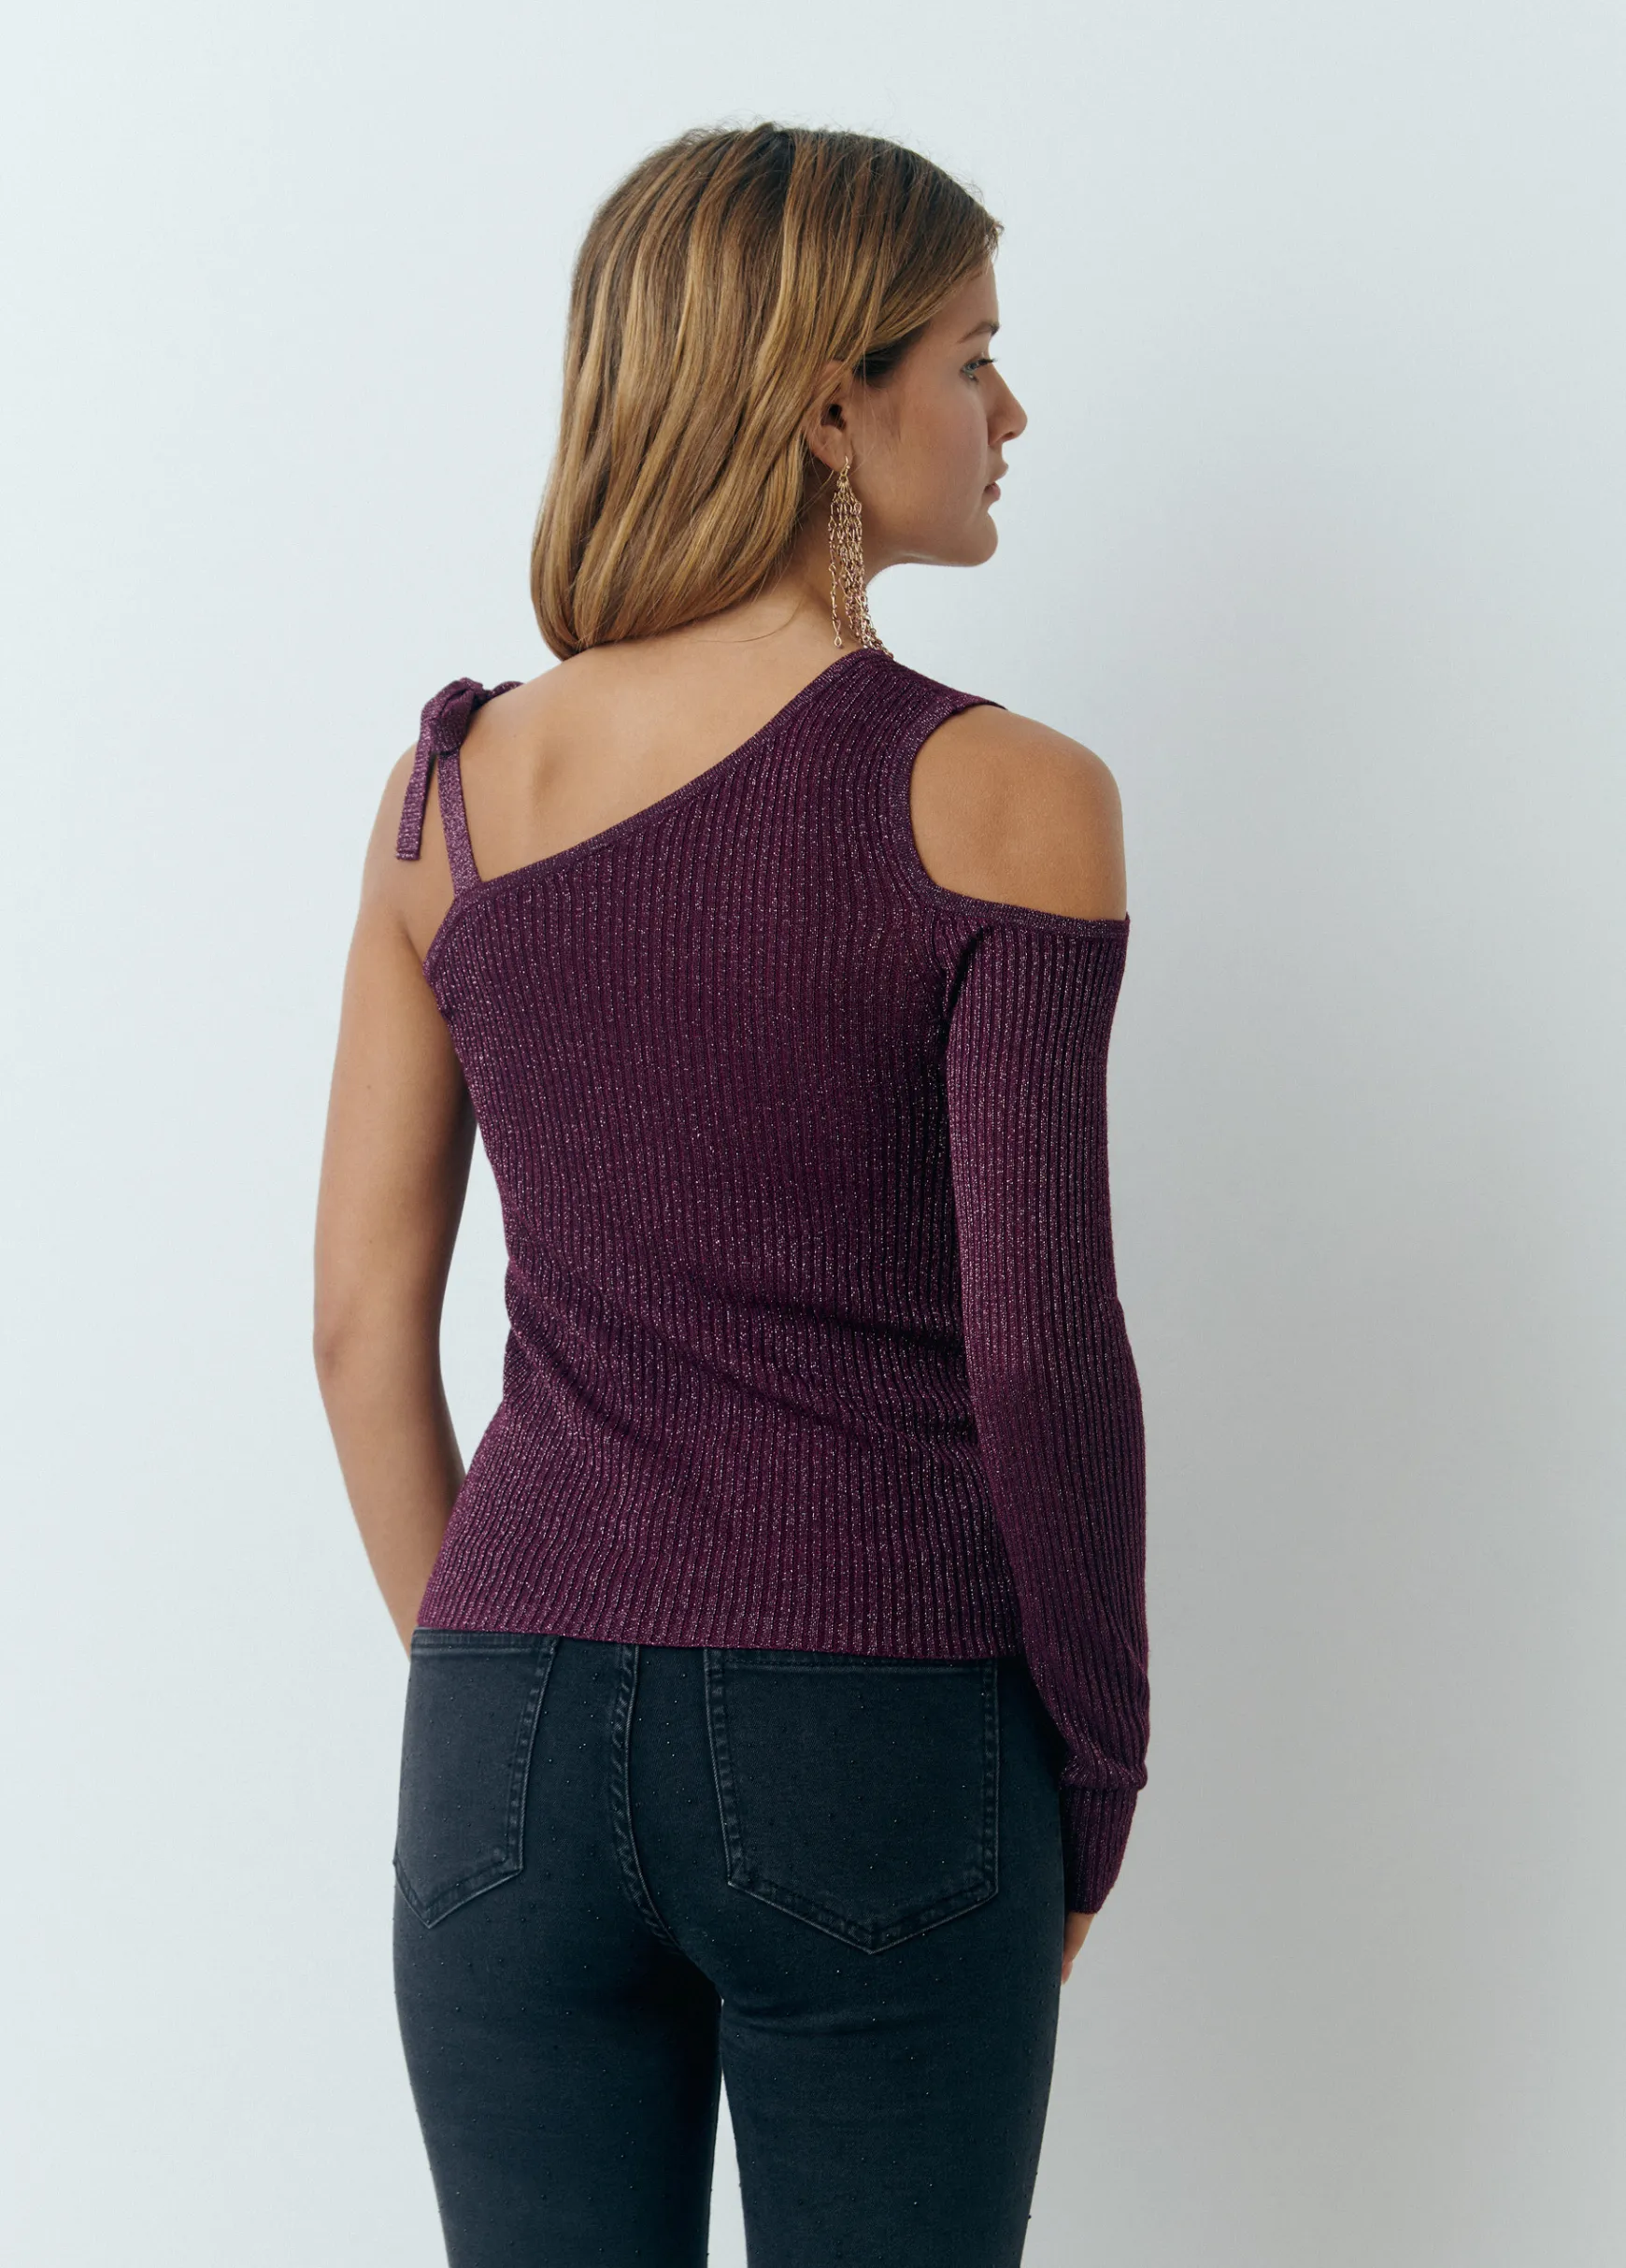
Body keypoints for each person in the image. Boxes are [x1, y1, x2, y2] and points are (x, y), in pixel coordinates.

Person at [313, 121, 1148, 2268]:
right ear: (827, 408)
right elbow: (1040, 1354)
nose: (1011, 413)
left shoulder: (447, 799)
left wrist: (492, 1681)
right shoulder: (1005, 795)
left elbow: (356, 1328)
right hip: (876, 1718)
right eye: (972, 357)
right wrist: (1093, 1774)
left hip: (500, 1722)